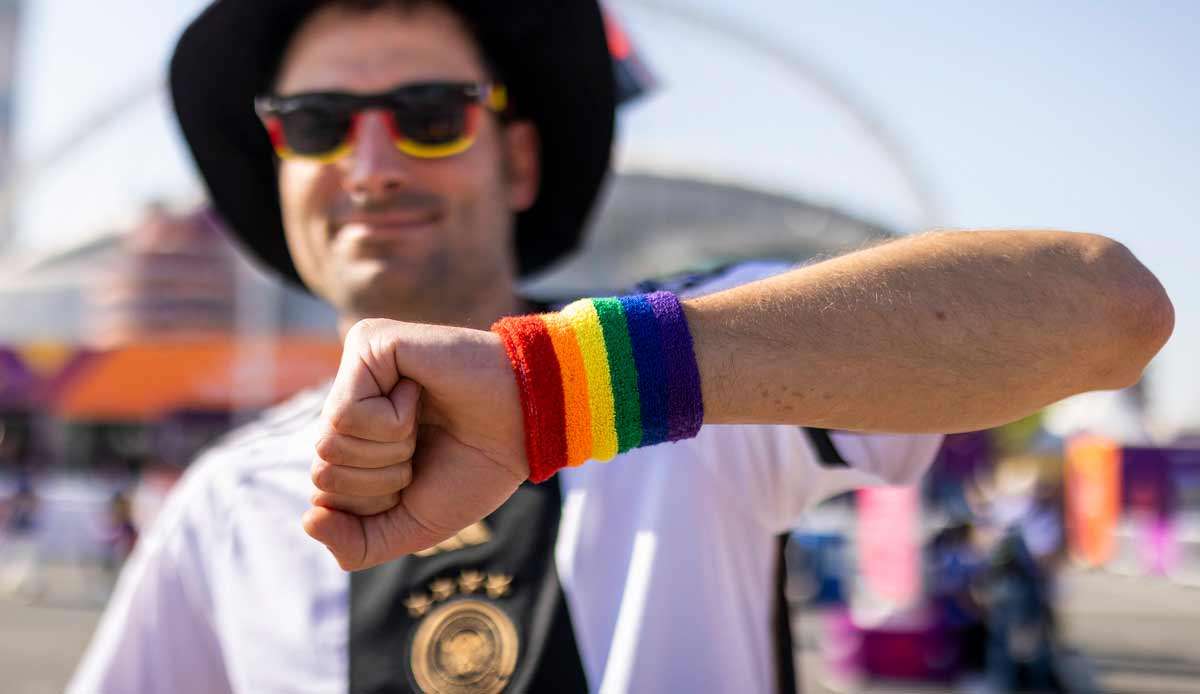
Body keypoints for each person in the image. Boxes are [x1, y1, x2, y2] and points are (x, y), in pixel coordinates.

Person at [69, 1, 1173, 692]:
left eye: (431, 113)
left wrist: (555, 388)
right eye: (312, 122)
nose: (369, 162)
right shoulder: (222, 503)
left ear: (519, 161)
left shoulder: (694, 366)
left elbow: (1106, 312)